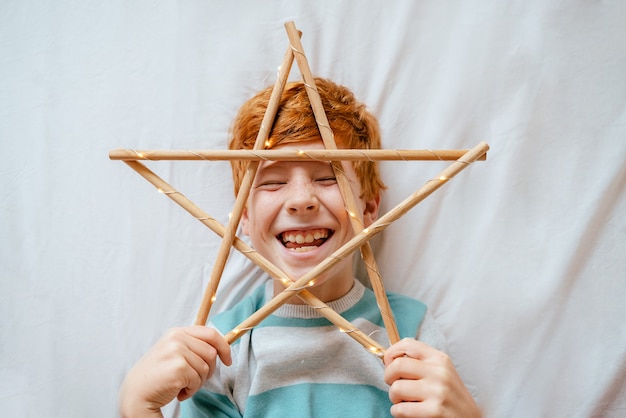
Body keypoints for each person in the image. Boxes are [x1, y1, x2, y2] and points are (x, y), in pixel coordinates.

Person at [119, 78, 481, 418]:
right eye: (273, 182)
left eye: (328, 178)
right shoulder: (216, 351)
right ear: (243, 216)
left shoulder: (410, 331)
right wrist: (139, 407)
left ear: (369, 208)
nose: (301, 201)